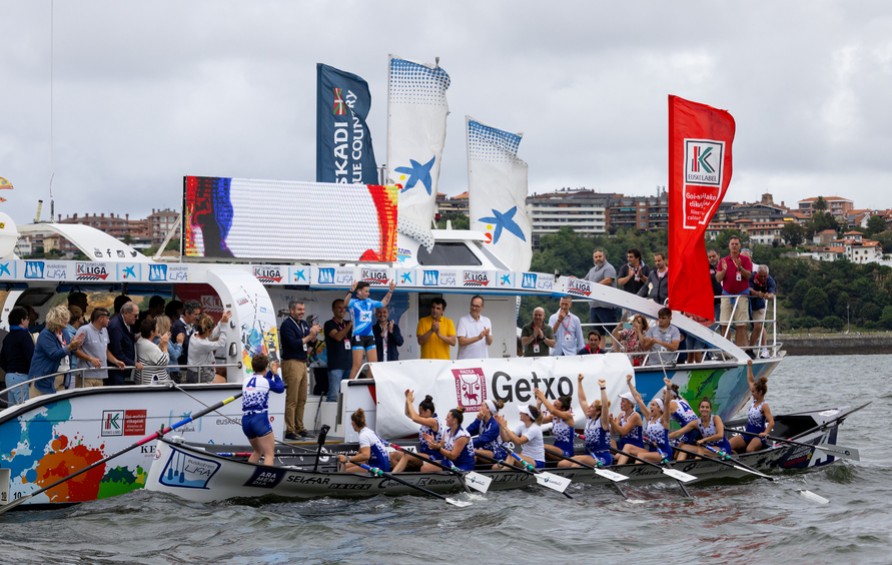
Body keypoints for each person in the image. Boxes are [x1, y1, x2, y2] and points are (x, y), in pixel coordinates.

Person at [280, 300, 322, 440]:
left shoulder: (304, 324)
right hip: (291, 362)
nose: (302, 312)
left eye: (303, 309)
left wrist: (315, 334)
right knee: (292, 399)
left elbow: (310, 343)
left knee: (302, 398)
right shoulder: (286, 325)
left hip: (303, 363)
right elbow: (293, 344)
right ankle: (290, 430)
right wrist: (310, 336)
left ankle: (300, 427)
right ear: (292, 310)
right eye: (299, 309)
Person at [28, 305, 84, 397]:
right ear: (56, 320)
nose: (67, 323)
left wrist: (75, 345)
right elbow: (54, 354)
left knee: (59, 408)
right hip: (44, 380)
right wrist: (70, 346)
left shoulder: (64, 332)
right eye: (64, 320)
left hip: (62, 379)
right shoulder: (45, 335)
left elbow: (69, 350)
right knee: (40, 409)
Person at [615, 374, 672, 465]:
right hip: (651, 451)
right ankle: (618, 469)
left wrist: (669, 388)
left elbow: (667, 403)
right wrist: (629, 383)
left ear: (660, 409)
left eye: (653, 405)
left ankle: (635, 474)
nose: (650, 406)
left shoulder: (664, 420)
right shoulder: (649, 418)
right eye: (651, 404)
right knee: (628, 447)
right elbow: (638, 399)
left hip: (663, 453)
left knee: (641, 455)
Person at [346, 280, 396, 380]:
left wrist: (390, 291)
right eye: (366, 291)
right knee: (357, 365)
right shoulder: (353, 302)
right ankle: (349, 391)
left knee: (373, 365)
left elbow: (383, 303)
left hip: (369, 336)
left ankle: (367, 386)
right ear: (359, 291)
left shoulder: (369, 302)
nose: (368, 293)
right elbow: (345, 302)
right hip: (358, 336)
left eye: (369, 291)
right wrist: (351, 291)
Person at [559, 376, 611, 468]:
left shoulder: (603, 422)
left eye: (592, 407)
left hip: (601, 457)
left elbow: (605, 406)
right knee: (562, 464)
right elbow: (582, 400)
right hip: (589, 455)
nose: (589, 407)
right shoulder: (589, 419)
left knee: (576, 464)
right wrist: (579, 382)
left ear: (598, 411)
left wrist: (602, 388)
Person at [241, 354, 284, 465]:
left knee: (257, 451)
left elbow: (264, 381)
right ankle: (266, 481)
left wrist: (270, 370)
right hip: (259, 419)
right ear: (265, 367)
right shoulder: (266, 382)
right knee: (269, 455)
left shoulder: (246, 380)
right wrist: (275, 373)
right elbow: (280, 388)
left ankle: (247, 477)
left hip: (246, 420)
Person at [391, 389, 442, 473]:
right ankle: (400, 479)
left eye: (421, 412)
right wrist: (407, 400)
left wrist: (410, 401)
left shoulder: (433, 421)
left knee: (406, 455)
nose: (419, 414)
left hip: (433, 457)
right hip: (423, 455)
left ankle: (394, 477)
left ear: (428, 411)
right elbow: (408, 414)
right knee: (393, 455)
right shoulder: (424, 418)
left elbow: (414, 418)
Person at [716, 236, 753, 347]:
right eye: (732, 244)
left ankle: (739, 349)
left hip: (741, 295)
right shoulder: (723, 261)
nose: (734, 246)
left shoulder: (745, 260)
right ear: (729, 246)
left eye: (736, 244)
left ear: (740, 246)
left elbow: (749, 276)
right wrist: (724, 270)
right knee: (724, 323)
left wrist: (740, 268)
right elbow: (718, 279)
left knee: (741, 325)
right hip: (726, 295)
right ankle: (726, 350)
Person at [729, 360, 774, 453]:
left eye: (753, 392)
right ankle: (734, 453)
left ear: (760, 392)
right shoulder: (754, 401)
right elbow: (750, 380)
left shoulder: (764, 406)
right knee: (728, 445)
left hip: (758, 437)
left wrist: (765, 433)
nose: (752, 393)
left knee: (749, 449)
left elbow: (771, 422)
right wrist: (749, 367)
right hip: (747, 434)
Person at [73, 307, 125, 388]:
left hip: (101, 376)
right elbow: (74, 350)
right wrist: (90, 359)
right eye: (107, 318)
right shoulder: (84, 330)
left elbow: (106, 350)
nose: (109, 320)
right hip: (86, 376)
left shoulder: (105, 331)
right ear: (101, 319)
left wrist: (116, 361)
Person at [337, 408, 396, 473]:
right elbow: (360, 454)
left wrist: (347, 458)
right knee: (344, 466)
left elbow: (365, 456)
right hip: (382, 465)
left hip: (378, 468)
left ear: (353, 423)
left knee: (345, 471)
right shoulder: (369, 431)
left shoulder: (363, 435)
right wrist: (347, 460)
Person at [421, 407, 476, 472]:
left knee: (426, 469)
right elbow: (441, 445)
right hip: (450, 462)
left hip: (463, 464)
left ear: (454, 420)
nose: (445, 419)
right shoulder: (447, 431)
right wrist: (433, 442)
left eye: (448, 417)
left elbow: (453, 456)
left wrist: (438, 448)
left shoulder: (462, 436)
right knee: (425, 468)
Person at [0, 306, 35, 405]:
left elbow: (1, 359)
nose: (29, 321)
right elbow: (31, 357)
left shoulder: (7, 337)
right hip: (20, 377)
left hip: (9, 377)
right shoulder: (25, 336)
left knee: (12, 409)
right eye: (27, 319)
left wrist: (10, 370)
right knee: (23, 409)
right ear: (22, 320)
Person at [186, 311, 232, 383]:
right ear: (207, 330)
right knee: (223, 380)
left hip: (193, 372)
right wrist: (224, 325)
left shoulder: (195, 335)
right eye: (210, 330)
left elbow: (211, 335)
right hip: (199, 374)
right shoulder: (202, 344)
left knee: (221, 373)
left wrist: (222, 321)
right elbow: (221, 343)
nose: (211, 332)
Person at [495, 404, 545, 469]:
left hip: (537, 462)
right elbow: (506, 439)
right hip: (525, 459)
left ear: (528, 416)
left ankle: (501, 477)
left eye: (522, 413)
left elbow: (519, 441)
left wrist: (505, 427)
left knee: (512, 456)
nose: (519, 413)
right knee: (495, 467)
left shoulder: (535, 428)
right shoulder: (521, 427)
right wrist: (501, 426)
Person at [663, 377, 701, 461]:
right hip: (696, 428)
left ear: (671, 395)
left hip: (691, 430)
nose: (663, 396)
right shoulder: (683, 400)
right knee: (678, 446)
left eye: (664, 393)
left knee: (676, 452)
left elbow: (663, 421)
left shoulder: (671, 404)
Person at [584, 249, 618, 340]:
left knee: (613, 332)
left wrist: (594, 286)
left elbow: (608, 279)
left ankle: (617, 351)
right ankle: (600, 351)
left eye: (600, 256)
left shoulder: (609, 268)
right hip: (594, 306)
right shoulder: (592, 270)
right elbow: (584, 281)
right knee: (598, 334)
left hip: (606, 307)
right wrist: (574, 280)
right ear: (593, 259)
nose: (598, 258)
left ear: (604, 257)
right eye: (596, 257)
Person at [324, 299, 353, 402]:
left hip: (349, 365)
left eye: (344, 308)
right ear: (333, 309)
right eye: (339, 308)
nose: (342, 310)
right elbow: (338, 337)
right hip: (335, 366)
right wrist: (349, 326)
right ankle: (331, 418)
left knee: (348, 396)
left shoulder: (348, 323)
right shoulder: (329, 324)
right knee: (333, 396)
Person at [534, 388, 575, 459]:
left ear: (563, 409)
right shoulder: (553, 417)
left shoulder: (568, 416)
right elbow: (538, 421)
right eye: (553, 404)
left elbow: (552, 410)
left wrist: (542, 397)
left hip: (566, 452)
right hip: (556, 449)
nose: (553, 406)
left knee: (541, 446)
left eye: (556, 406)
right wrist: (538, 404)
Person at [107, 301, 141, 386]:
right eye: (135, 315)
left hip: (122, 369)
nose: (137, 318)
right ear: (126, 313)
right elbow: (117, 352)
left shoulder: (127, 323)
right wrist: (134, 364)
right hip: (116, 371)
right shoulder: (116, 326)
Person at [466, 398, 507, 464]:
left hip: (497, 453)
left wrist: (467, 444)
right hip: (483, 450)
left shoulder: (494, 425)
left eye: (482, 406)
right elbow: (467, 433)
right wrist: (477, 420)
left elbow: (483, 440)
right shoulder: (480, 421)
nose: (480, 408)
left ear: (488, 409)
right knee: (471, 455)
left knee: (472, 451)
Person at [170, 300, 201, 382]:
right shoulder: (178, 326)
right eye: (195, 314)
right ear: (187, 313)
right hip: (181, 367)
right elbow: (187, 345)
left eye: (198, 314)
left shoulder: (191, 324)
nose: (197, 317)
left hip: (188, 365)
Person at [749, 264, 777, 358]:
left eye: (765, 276)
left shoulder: (770, 280)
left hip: (759, 305)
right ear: (757, 273)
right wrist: (757, 293)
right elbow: (749, 288)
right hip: (747, 303)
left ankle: (750, 349)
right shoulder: (752, 276)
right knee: (742, 325)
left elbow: (771, 293)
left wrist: (767, 296)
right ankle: (743, 348)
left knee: (759, 326)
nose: (763, 278)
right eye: (761, 276)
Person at [135, 316, 171, 385]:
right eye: (156, 327)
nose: (158, 329)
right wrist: (165, 346)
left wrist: (161, 344)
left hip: (145, 381)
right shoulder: (150, 346)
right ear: (152, 332)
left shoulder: (141, 340)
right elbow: (164, 362)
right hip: (154, 384)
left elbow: (152, 355)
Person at [456, 295, 493, 360]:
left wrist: (487, 335)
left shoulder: (487, 320)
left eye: (477, 306)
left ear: (482, 307)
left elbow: (489, 342)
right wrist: (478, 337)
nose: (474, 308)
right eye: (472, 305)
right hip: (466, 361)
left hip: (483, 360)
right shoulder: (463, 320)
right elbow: (461, 342)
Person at [707, 249, 723, 322]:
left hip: (726, 299)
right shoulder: (705, 268)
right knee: (714, 322)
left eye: (713, 256)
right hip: (713, 301)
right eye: (709, 257)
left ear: (718, 255)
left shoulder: (725, 265)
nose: (711, 258)